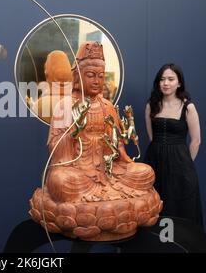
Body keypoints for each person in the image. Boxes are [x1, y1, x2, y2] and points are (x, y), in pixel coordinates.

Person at [29, 41, 162, 241]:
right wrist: (73, 132)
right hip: (77, 172)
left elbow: (117, 145)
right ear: (78, 77)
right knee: (60, 182)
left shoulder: (107, 106)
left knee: (145, 173)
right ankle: (106, 203)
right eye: (90, 75)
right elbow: (57, 155)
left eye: (101, 76)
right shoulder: (65, 106)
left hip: (109, 171)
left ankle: (108, 199)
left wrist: (122, 155)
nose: (97, 81)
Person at [144, 63, 203, 227]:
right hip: (154, 162)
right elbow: (151, 137)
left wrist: (184, 164)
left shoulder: (188, 107)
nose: (166, 83)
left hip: (180, 167)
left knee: (178, 209)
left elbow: (196, 140)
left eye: (171, 79)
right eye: (162, 79)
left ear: (179, 83)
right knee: (153, 207)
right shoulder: (151, 105)